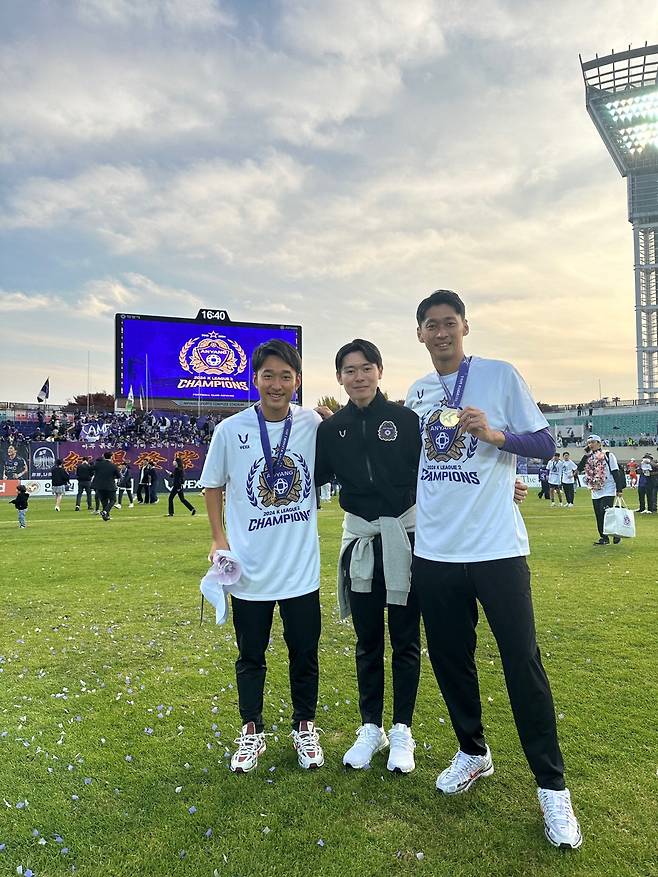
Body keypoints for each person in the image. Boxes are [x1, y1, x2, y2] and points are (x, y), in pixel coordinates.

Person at [406, 289, 582, 850]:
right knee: (450, 660)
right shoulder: (417, 391)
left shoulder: (499, 375)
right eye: (431, 325)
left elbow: (547, 443)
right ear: (419, 333)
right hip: (436, 552)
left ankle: (552, 788)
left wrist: (497, 437)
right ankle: (472, 752)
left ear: (465, 326)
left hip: (497, 550)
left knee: (522, 664)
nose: (441, 332)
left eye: (449, 322)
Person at [199, 339, 324, 773]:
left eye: (285, 376)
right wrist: (218, 537)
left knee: (304, 653)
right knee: (250, 655)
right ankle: (251, 730)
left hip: (300, 570)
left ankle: (304, 726)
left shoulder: (311, 423)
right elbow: (212, 485)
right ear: (255, 379)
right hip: (250, 571)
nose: (276, 384)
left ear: (297, 381)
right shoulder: (230, 430)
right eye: (268, 375)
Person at [314, 339, 422, 773]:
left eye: (365, 368)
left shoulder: (406, 420)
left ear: (379, 370)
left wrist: (501, 488)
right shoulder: (331, 429)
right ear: (339, 377)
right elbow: (309, 477)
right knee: (367, 641)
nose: (358, 377)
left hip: (404, 538)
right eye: (349, 370)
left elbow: (437, 475)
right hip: (360, 541)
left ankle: (402, 730)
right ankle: (370, 727)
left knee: (405, 639)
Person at [576, 435, 625, 544]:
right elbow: (579, 468)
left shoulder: (608, 455)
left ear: (599, 443)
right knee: (598, 514)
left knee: (606, 513)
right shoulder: (589, 457)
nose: (591, 445)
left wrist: (619, 489)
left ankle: (616, 533)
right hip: (595, 489)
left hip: (608, 488)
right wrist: (585, 456)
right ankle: (604, 538)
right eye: (589, 443)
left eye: (593, 442)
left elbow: (615, 472)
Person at [93, 451, 121, 521]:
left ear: (104, 457)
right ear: (111, 457)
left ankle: (106, 516)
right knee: (113, 500)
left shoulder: (98, 464)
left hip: (100, 486)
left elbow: (91, 469)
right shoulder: (113, 466)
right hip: (110, 486)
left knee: (104, 501)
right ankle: (105, 512)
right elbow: (119, 476)